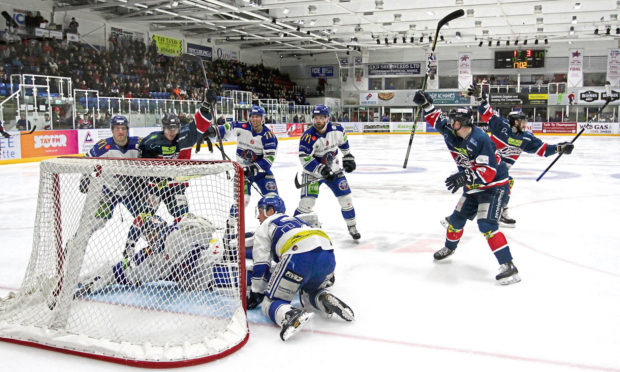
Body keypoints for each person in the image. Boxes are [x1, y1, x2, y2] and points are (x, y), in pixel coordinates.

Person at [413, 90, 520, 285]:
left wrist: (464, 176)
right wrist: (426, 104)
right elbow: (436, 118)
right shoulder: (451, 130)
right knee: (455, 221)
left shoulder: (481, 140)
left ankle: (509, 266)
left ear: (463, 123)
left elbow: (488, 173)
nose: (450, 123)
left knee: (486, 225)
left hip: (494, 187)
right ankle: (450, 248)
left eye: (454, 120)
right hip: (473, 186)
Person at [246, 195, 354, 341]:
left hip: (299, 255)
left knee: (270, 303)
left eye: (260, 211)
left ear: (270, 211)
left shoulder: (265, 226)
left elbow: (261, 262)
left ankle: (289, 315)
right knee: (307, 292)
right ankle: (323, 297)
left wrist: (257, 290)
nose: (258, 216)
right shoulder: (296, 220)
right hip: (327, 254)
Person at [467, 83, 575, 227]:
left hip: (499, 171)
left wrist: (560, 148)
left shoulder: (526, 138)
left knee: (502, 184)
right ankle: (461, 217)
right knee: (490, 188)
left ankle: (493, 213)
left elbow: (543, 149)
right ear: (515, 122)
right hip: (486, 166)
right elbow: (488, 112)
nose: (525, 124)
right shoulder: (501, 126)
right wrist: (480, 98)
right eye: (522, 121)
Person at [75, 214, 225, 297]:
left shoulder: (175, 234)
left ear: (161, 228)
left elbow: (206, 232)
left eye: (153, 232)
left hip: (212, 264)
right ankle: (81, 280)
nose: (151, 237)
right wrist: (91, 284)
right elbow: (119, 270)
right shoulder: (148, 255)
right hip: (200, 283)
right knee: (113, 266)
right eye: (147, 235)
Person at [139, 89, 216, 223]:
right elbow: (141, 162)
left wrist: (207, 104)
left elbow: (199, 123)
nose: (172, 132)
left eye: (175, 128)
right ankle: (133, 242)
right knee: (145, 218)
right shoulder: (151, 141)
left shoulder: (185, 136)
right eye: (169, 128)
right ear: (163, 127)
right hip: (154, 186)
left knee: (183, 218)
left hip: (176, 186)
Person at [82, 115, 152, 259]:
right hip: (108, 193)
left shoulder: (138, 144)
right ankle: (75, 245)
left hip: (133, 193)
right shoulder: (103, 147)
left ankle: (134, 249)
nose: (120, 131)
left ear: (127, 130)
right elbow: (85, 162)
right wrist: (84, 177)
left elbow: (152, 160)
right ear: (112, 130)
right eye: (117, 128)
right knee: (96, 222)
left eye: (123, 128)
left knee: (146, 221)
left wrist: (144, 179)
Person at [294, 104, 360, 240]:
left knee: (346, 199)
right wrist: (321, 170)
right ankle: (293, 230)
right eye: (316, 117)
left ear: (327, 118)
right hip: (312, 173)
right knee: (306, 203)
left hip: (334, 169)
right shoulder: (308, 137)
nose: (318, 120)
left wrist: (348, 157)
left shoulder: (338, 129)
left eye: (321, 117)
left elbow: (343, 144)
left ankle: (352, 226)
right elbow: (304, 158)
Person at [211, 104, 279, 208]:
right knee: (243, 200)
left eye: (257, 116)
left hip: (262, 173)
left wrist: (251, 169)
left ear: (263, 118)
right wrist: (213, 131)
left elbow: (267, 162)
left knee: (273, 201)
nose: (254, 119)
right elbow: (228, 127)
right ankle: (233, 221)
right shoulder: (242, 127)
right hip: (242, 172)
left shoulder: (269, 137)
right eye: (252, 116)